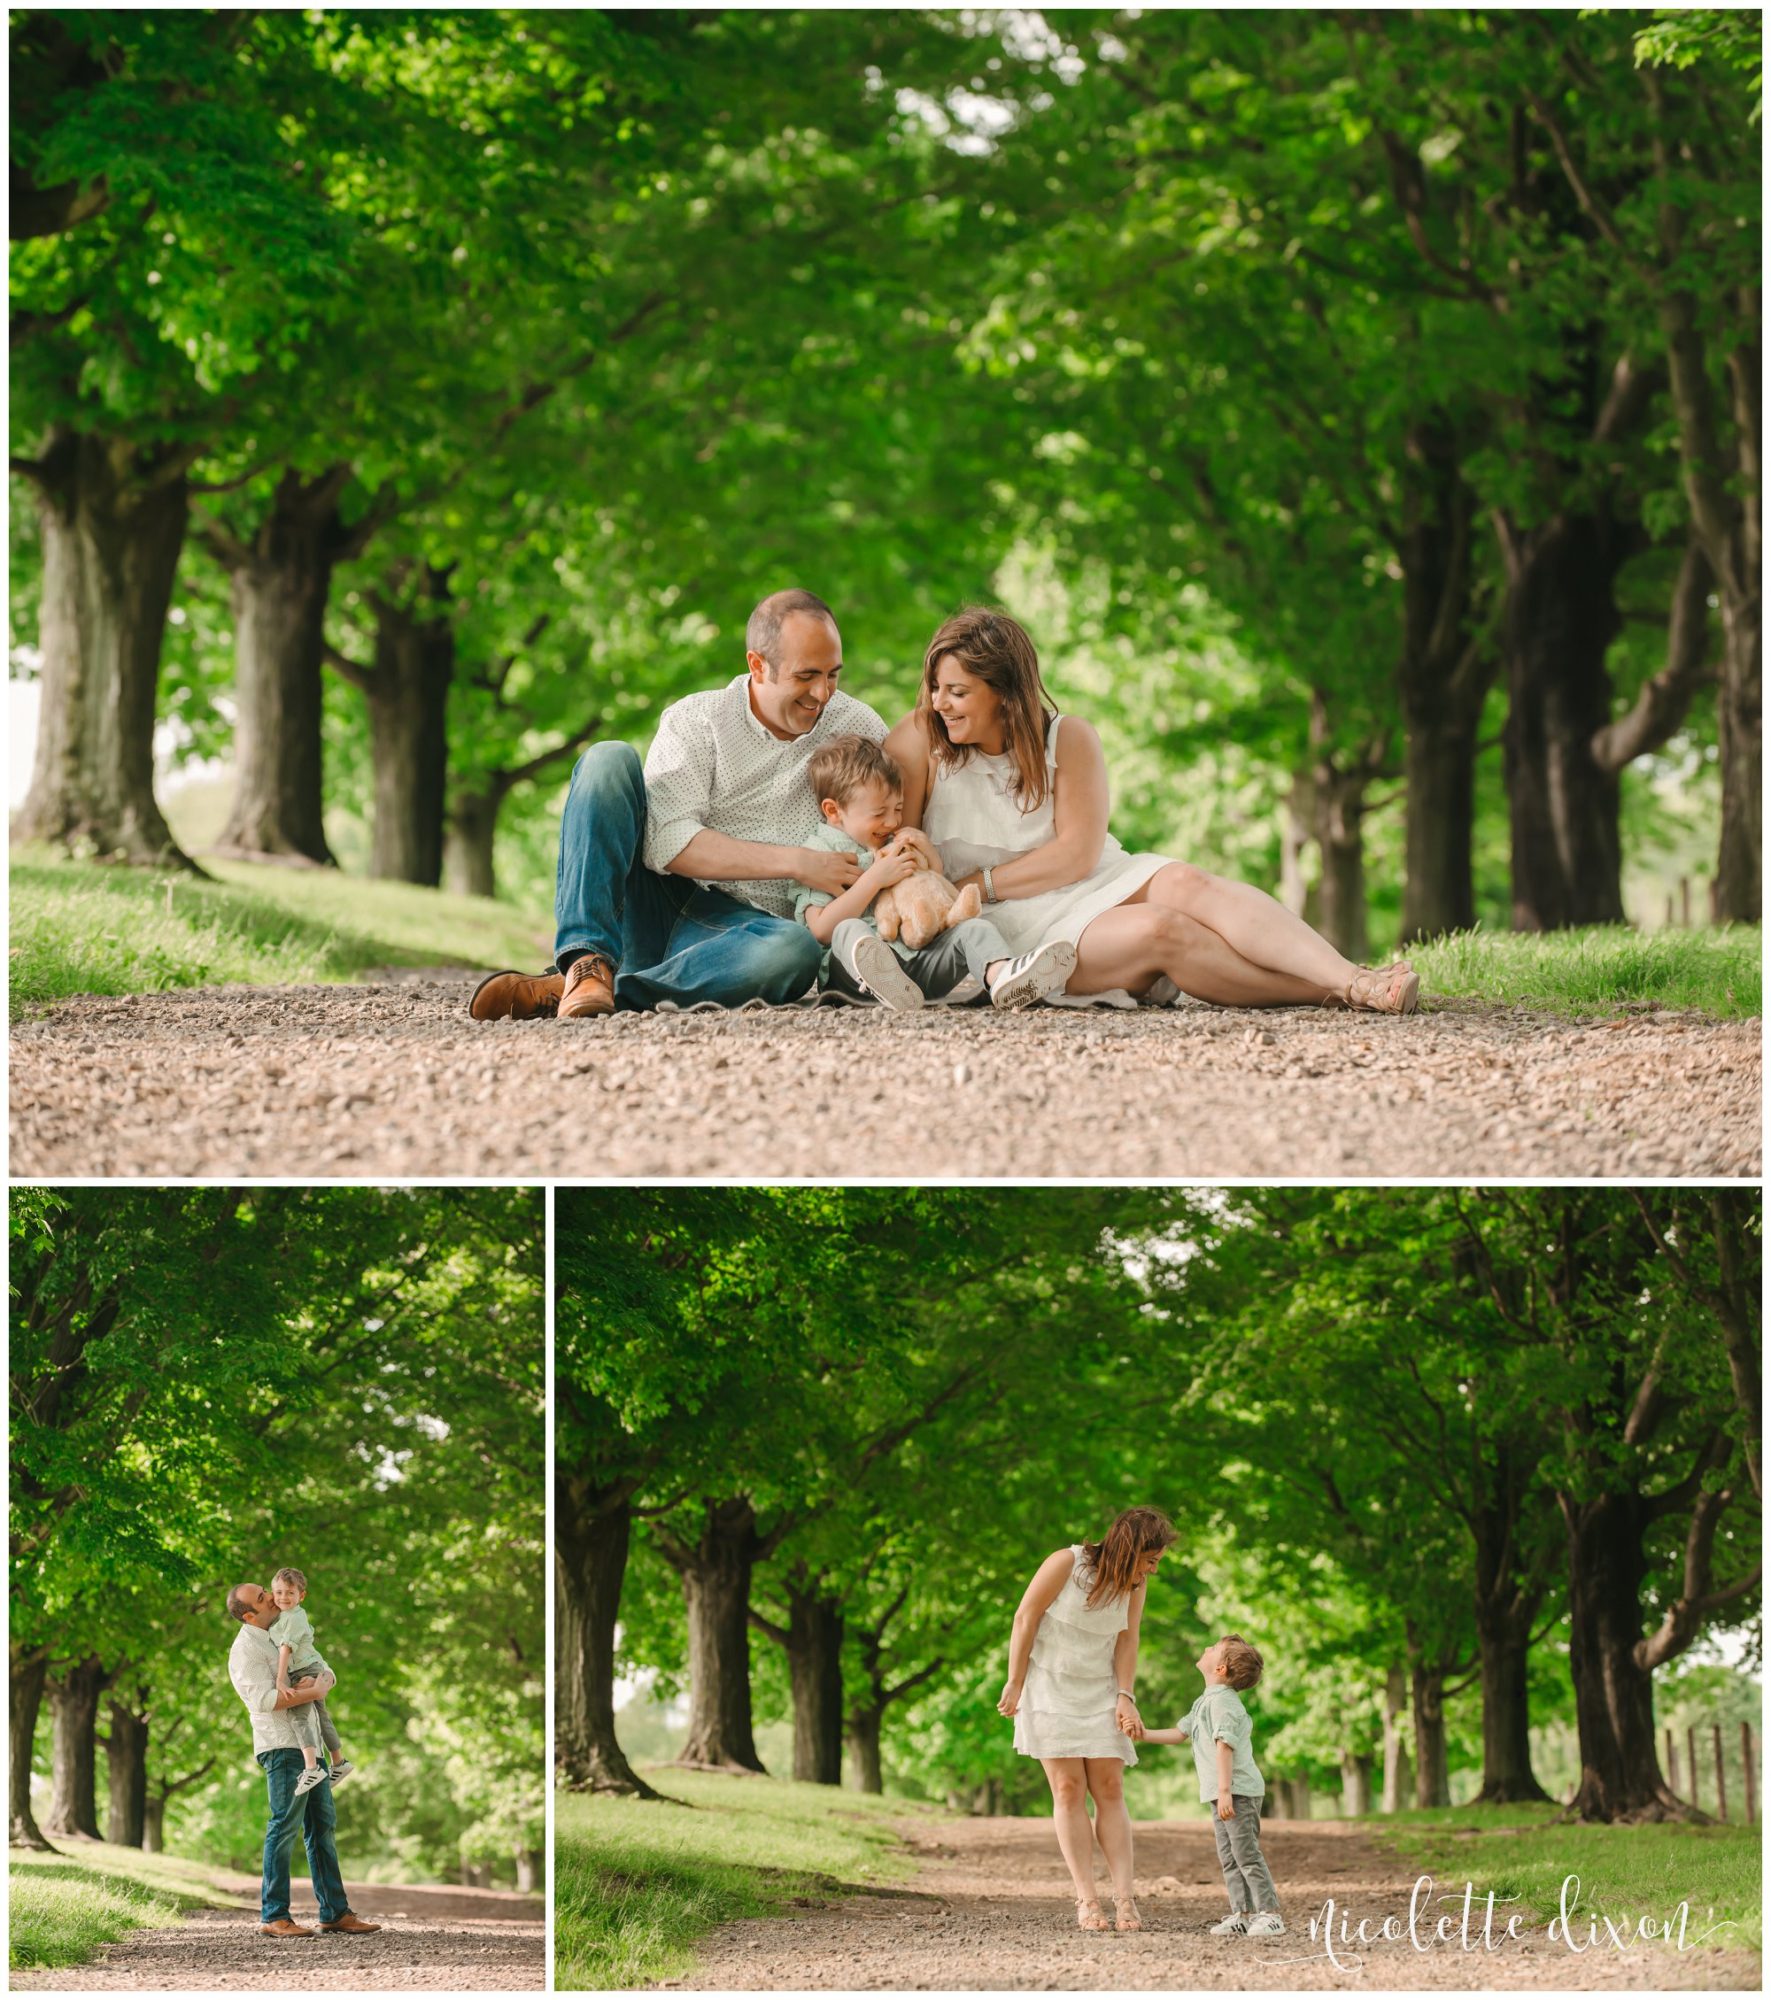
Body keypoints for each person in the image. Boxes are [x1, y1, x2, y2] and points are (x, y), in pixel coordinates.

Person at [884, 608, 1421, 1012]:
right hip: (1001, 927)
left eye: (956, 691)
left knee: (1188, 883)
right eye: (936, 688)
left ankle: (1352, 977)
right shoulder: (918, 740)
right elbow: (894, 847)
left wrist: (985, 877)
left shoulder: (1067, 738)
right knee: (1164, 931)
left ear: (1004, 693)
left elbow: (1077, 856)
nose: (938, 702)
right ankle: (1339, 992)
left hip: (1083, 881)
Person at [468, 587, 885, 1020]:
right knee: (607, 760)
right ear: (757, 666)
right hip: (655, 904)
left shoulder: (857, 726)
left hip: (747, 937)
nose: (823, 693)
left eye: (834, 674)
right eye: (806, 676)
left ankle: (600, 991)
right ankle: (585, 963)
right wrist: (798, 862)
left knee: (793, 951)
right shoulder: (698, 719)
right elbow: (667, 841)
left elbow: (895, 807)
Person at [794, 734, 1076, 1011]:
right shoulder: (819, 854)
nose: (892, 821)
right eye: (879, 813)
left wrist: (928, 853)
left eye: (899, 808)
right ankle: (880, 975)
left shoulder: (896, 844)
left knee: (974, 928)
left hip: (917, 971)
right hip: (850, 982)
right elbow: (821, 930)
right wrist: (874, 878)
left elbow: (935, 888)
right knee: (848, 929)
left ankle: (1002, 977)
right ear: (834, 811)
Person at [997, 1507, 1176, 1934]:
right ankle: (1086, 1899)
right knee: (1068, 1788)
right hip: (1049, 1687)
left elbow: (1128, 1639)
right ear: (1129, 1548)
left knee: (1110, 1787)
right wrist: (1015, 1681)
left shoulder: (1137, 1585)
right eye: (1150, 1559)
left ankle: (1125, 1898)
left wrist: (1125, 1696)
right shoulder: (1066, 1562)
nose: (1153, 1569)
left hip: (1100, 1690)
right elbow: (1026, 1617)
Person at [226, 1581, 381, 1940]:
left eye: (266, 1590)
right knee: (283, 1827)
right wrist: (314, 1692)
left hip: (311, 1747)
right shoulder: (244, 1651)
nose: (272, 1597)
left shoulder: (286, 1627)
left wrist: (325, 1678)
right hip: (281, 1747)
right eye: (263, 1598)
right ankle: (274, 1915)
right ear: (249, 1615)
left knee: (322, 1827)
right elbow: (263, 1701)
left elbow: (318, 1663)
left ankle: (335, 1912)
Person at [1135, 1635, 1284, 1938]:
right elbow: (1179, 1733)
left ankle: (1270, 1914)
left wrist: (1225, 1790)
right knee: (1228, 1856)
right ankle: (1241, 1913)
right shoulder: (1205, 1701)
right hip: (1222, 1793)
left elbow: (1224, 1746)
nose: (1206, 1649)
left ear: (1221, 1669)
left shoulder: (1224, 1704)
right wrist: (1142, 1734)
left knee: (1246, 1853)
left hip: (1237, 1791)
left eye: (1213, 1649)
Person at [270, 1566, 355, 1794]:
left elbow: (286, 1648)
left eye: (289, 1592)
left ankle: (312, 1768)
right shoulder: (285, 1616)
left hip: (305, 1670)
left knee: (299, 1716)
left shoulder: (296, 1617)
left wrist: (280, 1680)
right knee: (322, 1716)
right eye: (278, 1592)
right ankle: (339, 1762)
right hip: (311, 1667)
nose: (283, 1597)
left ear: (301, 1595)